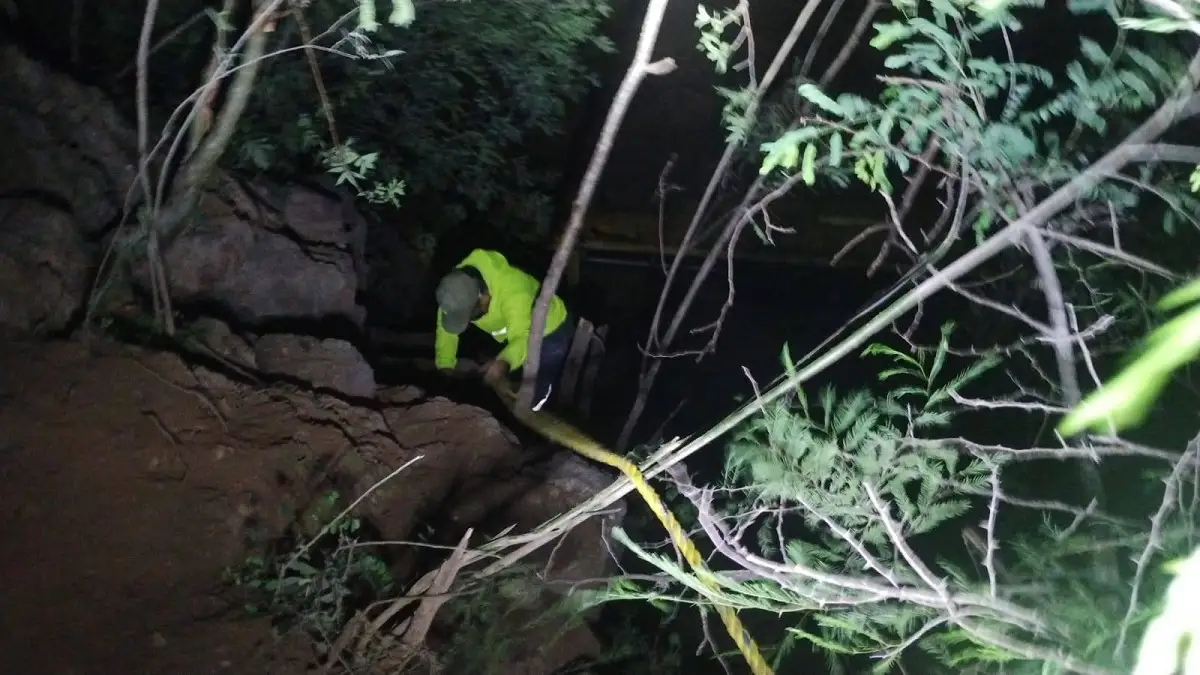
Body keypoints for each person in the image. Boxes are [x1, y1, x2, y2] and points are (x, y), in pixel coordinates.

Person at [434, 248, 576, 411]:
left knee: (538, 391)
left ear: (485, 298)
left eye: (469, 316)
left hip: (550, 329)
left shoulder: (514, 293)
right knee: (512, 375)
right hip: (514, 330)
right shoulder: (455, 287)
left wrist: (504, 361)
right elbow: (446, 328)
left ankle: (538, 417)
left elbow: (524, 338)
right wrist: (445, 366)